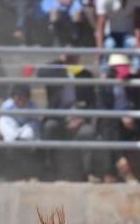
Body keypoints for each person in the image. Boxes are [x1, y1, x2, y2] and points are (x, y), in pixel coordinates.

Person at [36, 52, 103, 181]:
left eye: (74, 54)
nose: (72, 57)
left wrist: (82, 118)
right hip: (58, 118)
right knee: (50, 127)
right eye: (68, 54)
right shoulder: (54, 71)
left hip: (79, 118)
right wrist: (61, 61)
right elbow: (41, 73)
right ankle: (49, 170)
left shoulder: (85, 75)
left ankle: (88, 173)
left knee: (88, 132)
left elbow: (92, 102)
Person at [96, 54, 140, 182]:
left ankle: (113, 173)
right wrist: (121, 116)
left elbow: (136, 103)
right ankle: (122, 163)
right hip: (111, 121)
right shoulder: (105, 84)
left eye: (124, 67)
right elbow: (103, 109)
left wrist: (129, 115)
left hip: (128, 120)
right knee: (110, 125)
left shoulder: (132, 82)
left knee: (113, 129)